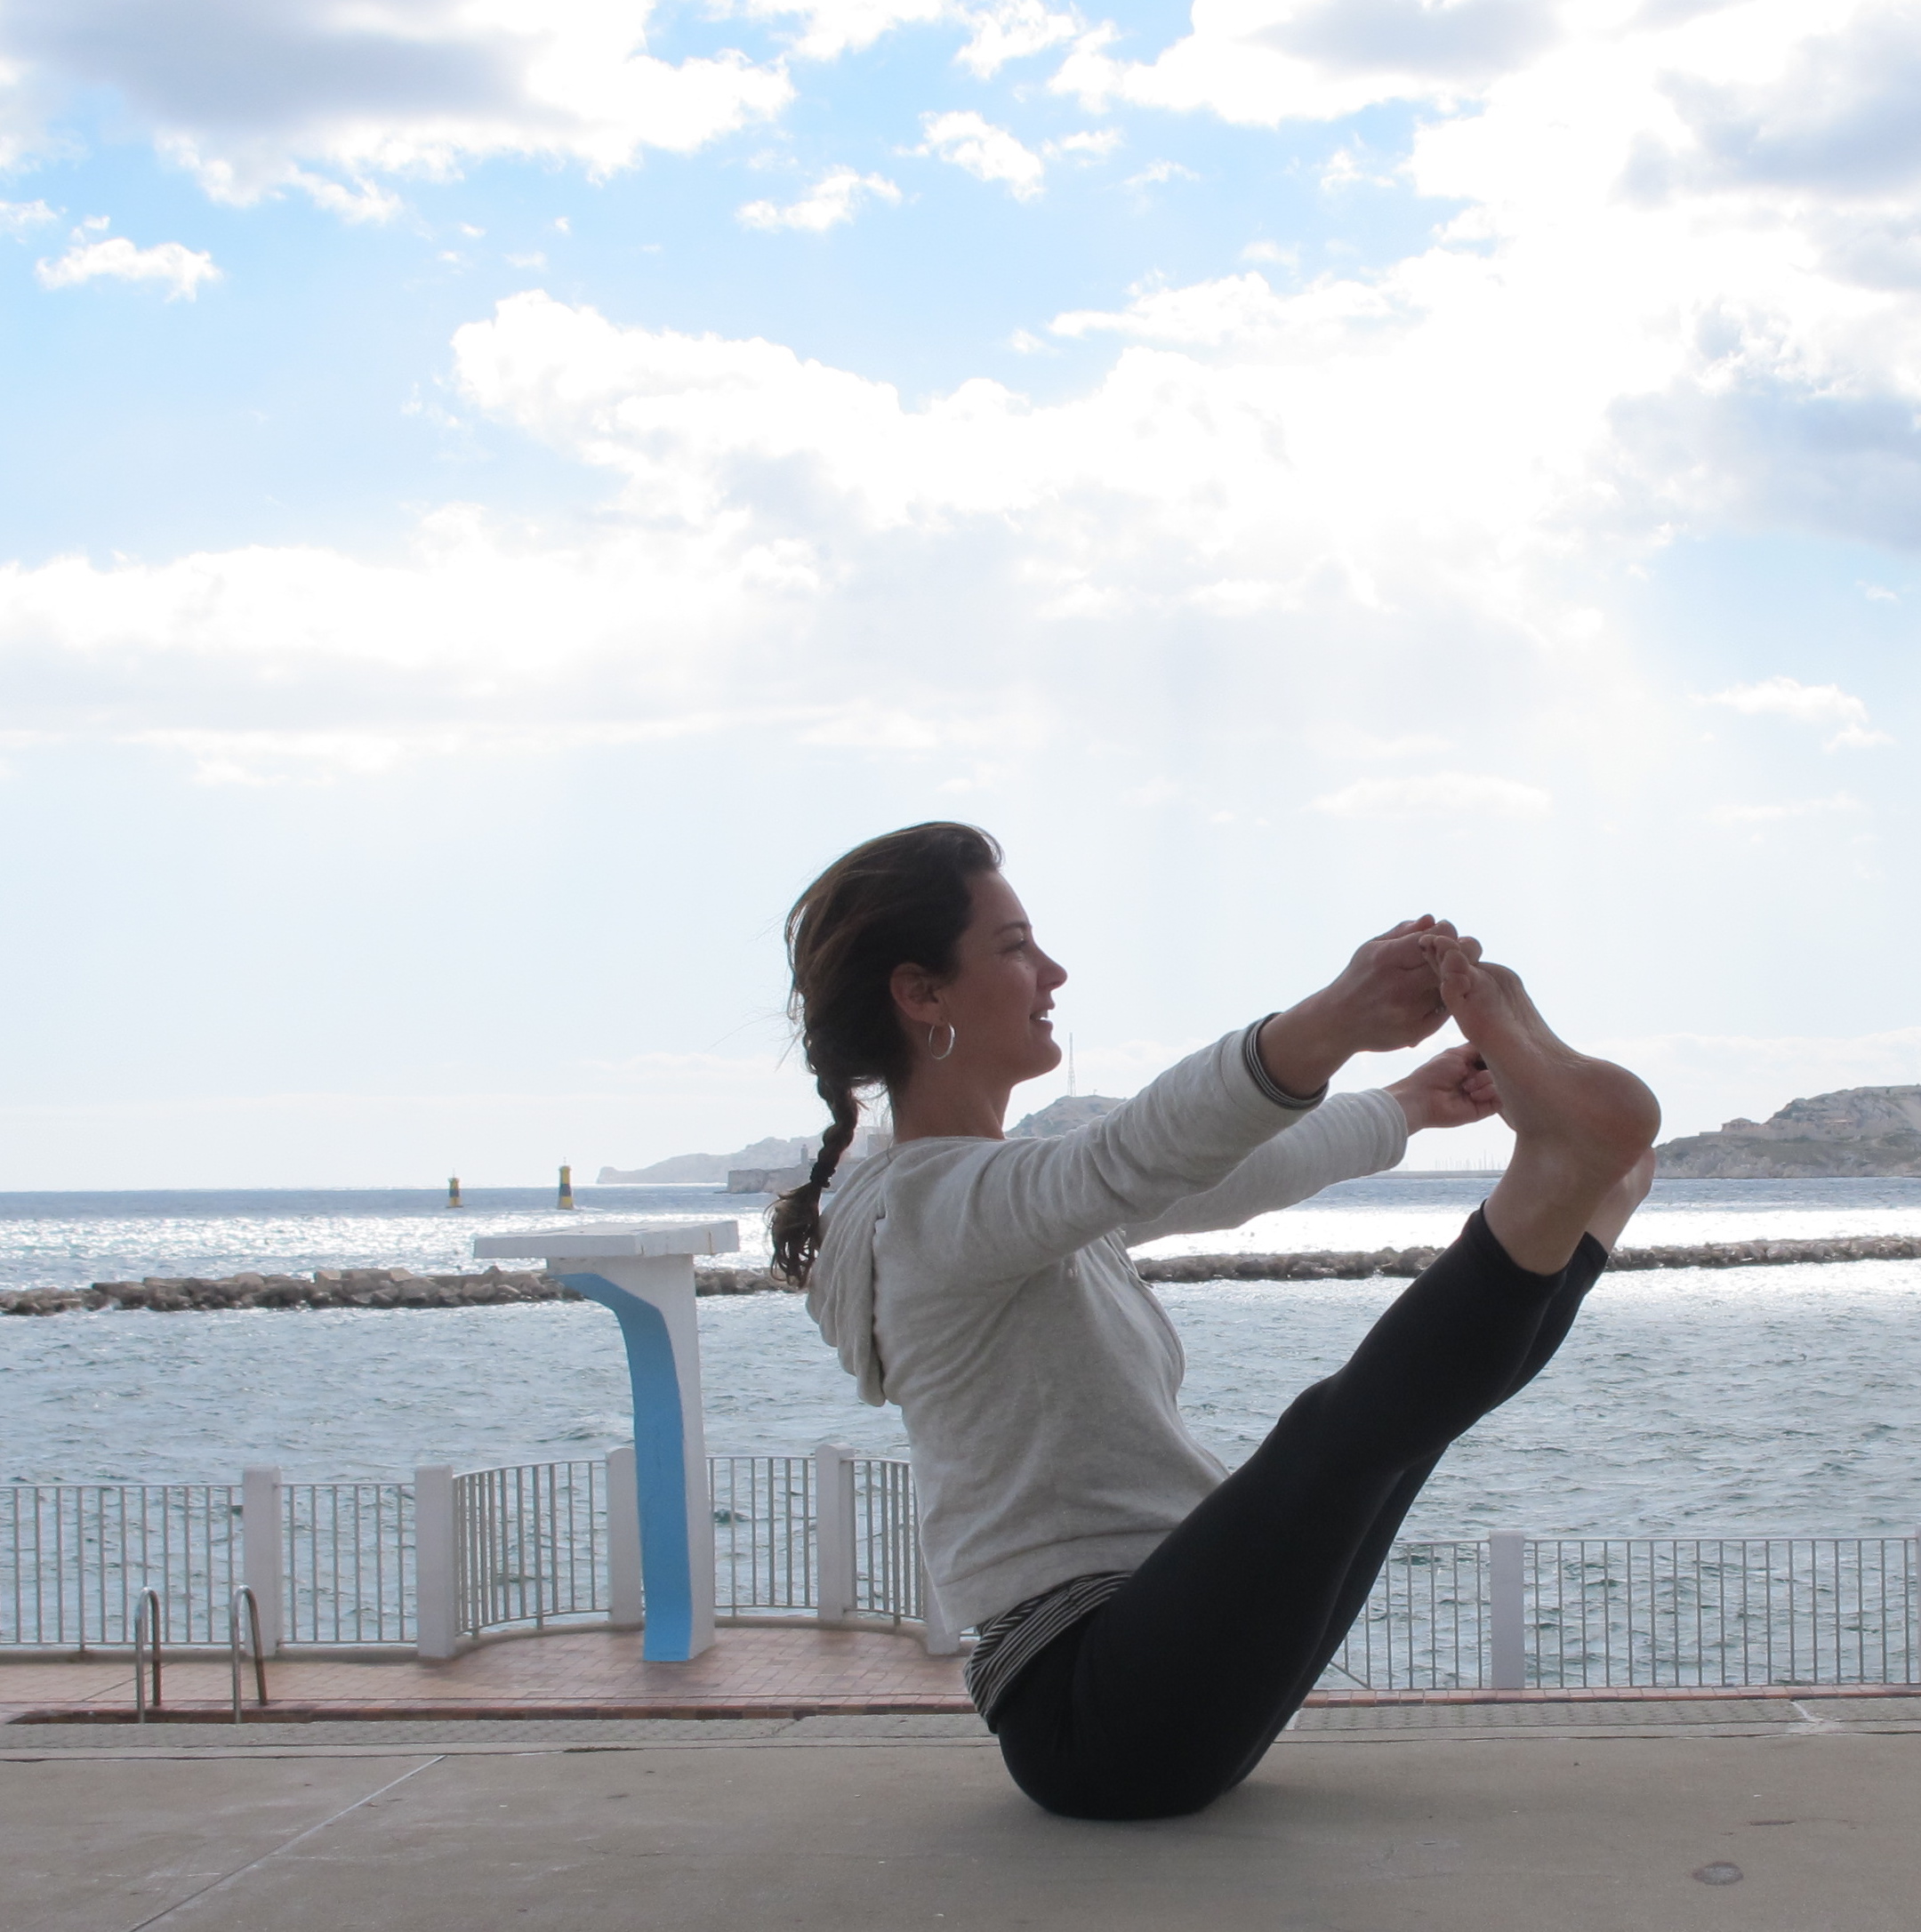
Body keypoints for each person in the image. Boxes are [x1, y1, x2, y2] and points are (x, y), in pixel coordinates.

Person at [773, 822, 1660, 1821]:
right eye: (1016, 948)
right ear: (921, 994)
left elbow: (1224, 1172)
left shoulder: (994, 1204)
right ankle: (1560, 1175)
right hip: (1092, 1710)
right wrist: (1333, 1019)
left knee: (1403, 1438)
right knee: (1336, 1434)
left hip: (1169, 1676)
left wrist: (1411, 1102)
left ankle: (1589, 1192)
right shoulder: (925, 1212)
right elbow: (1131, 1156)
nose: (1053, 973)